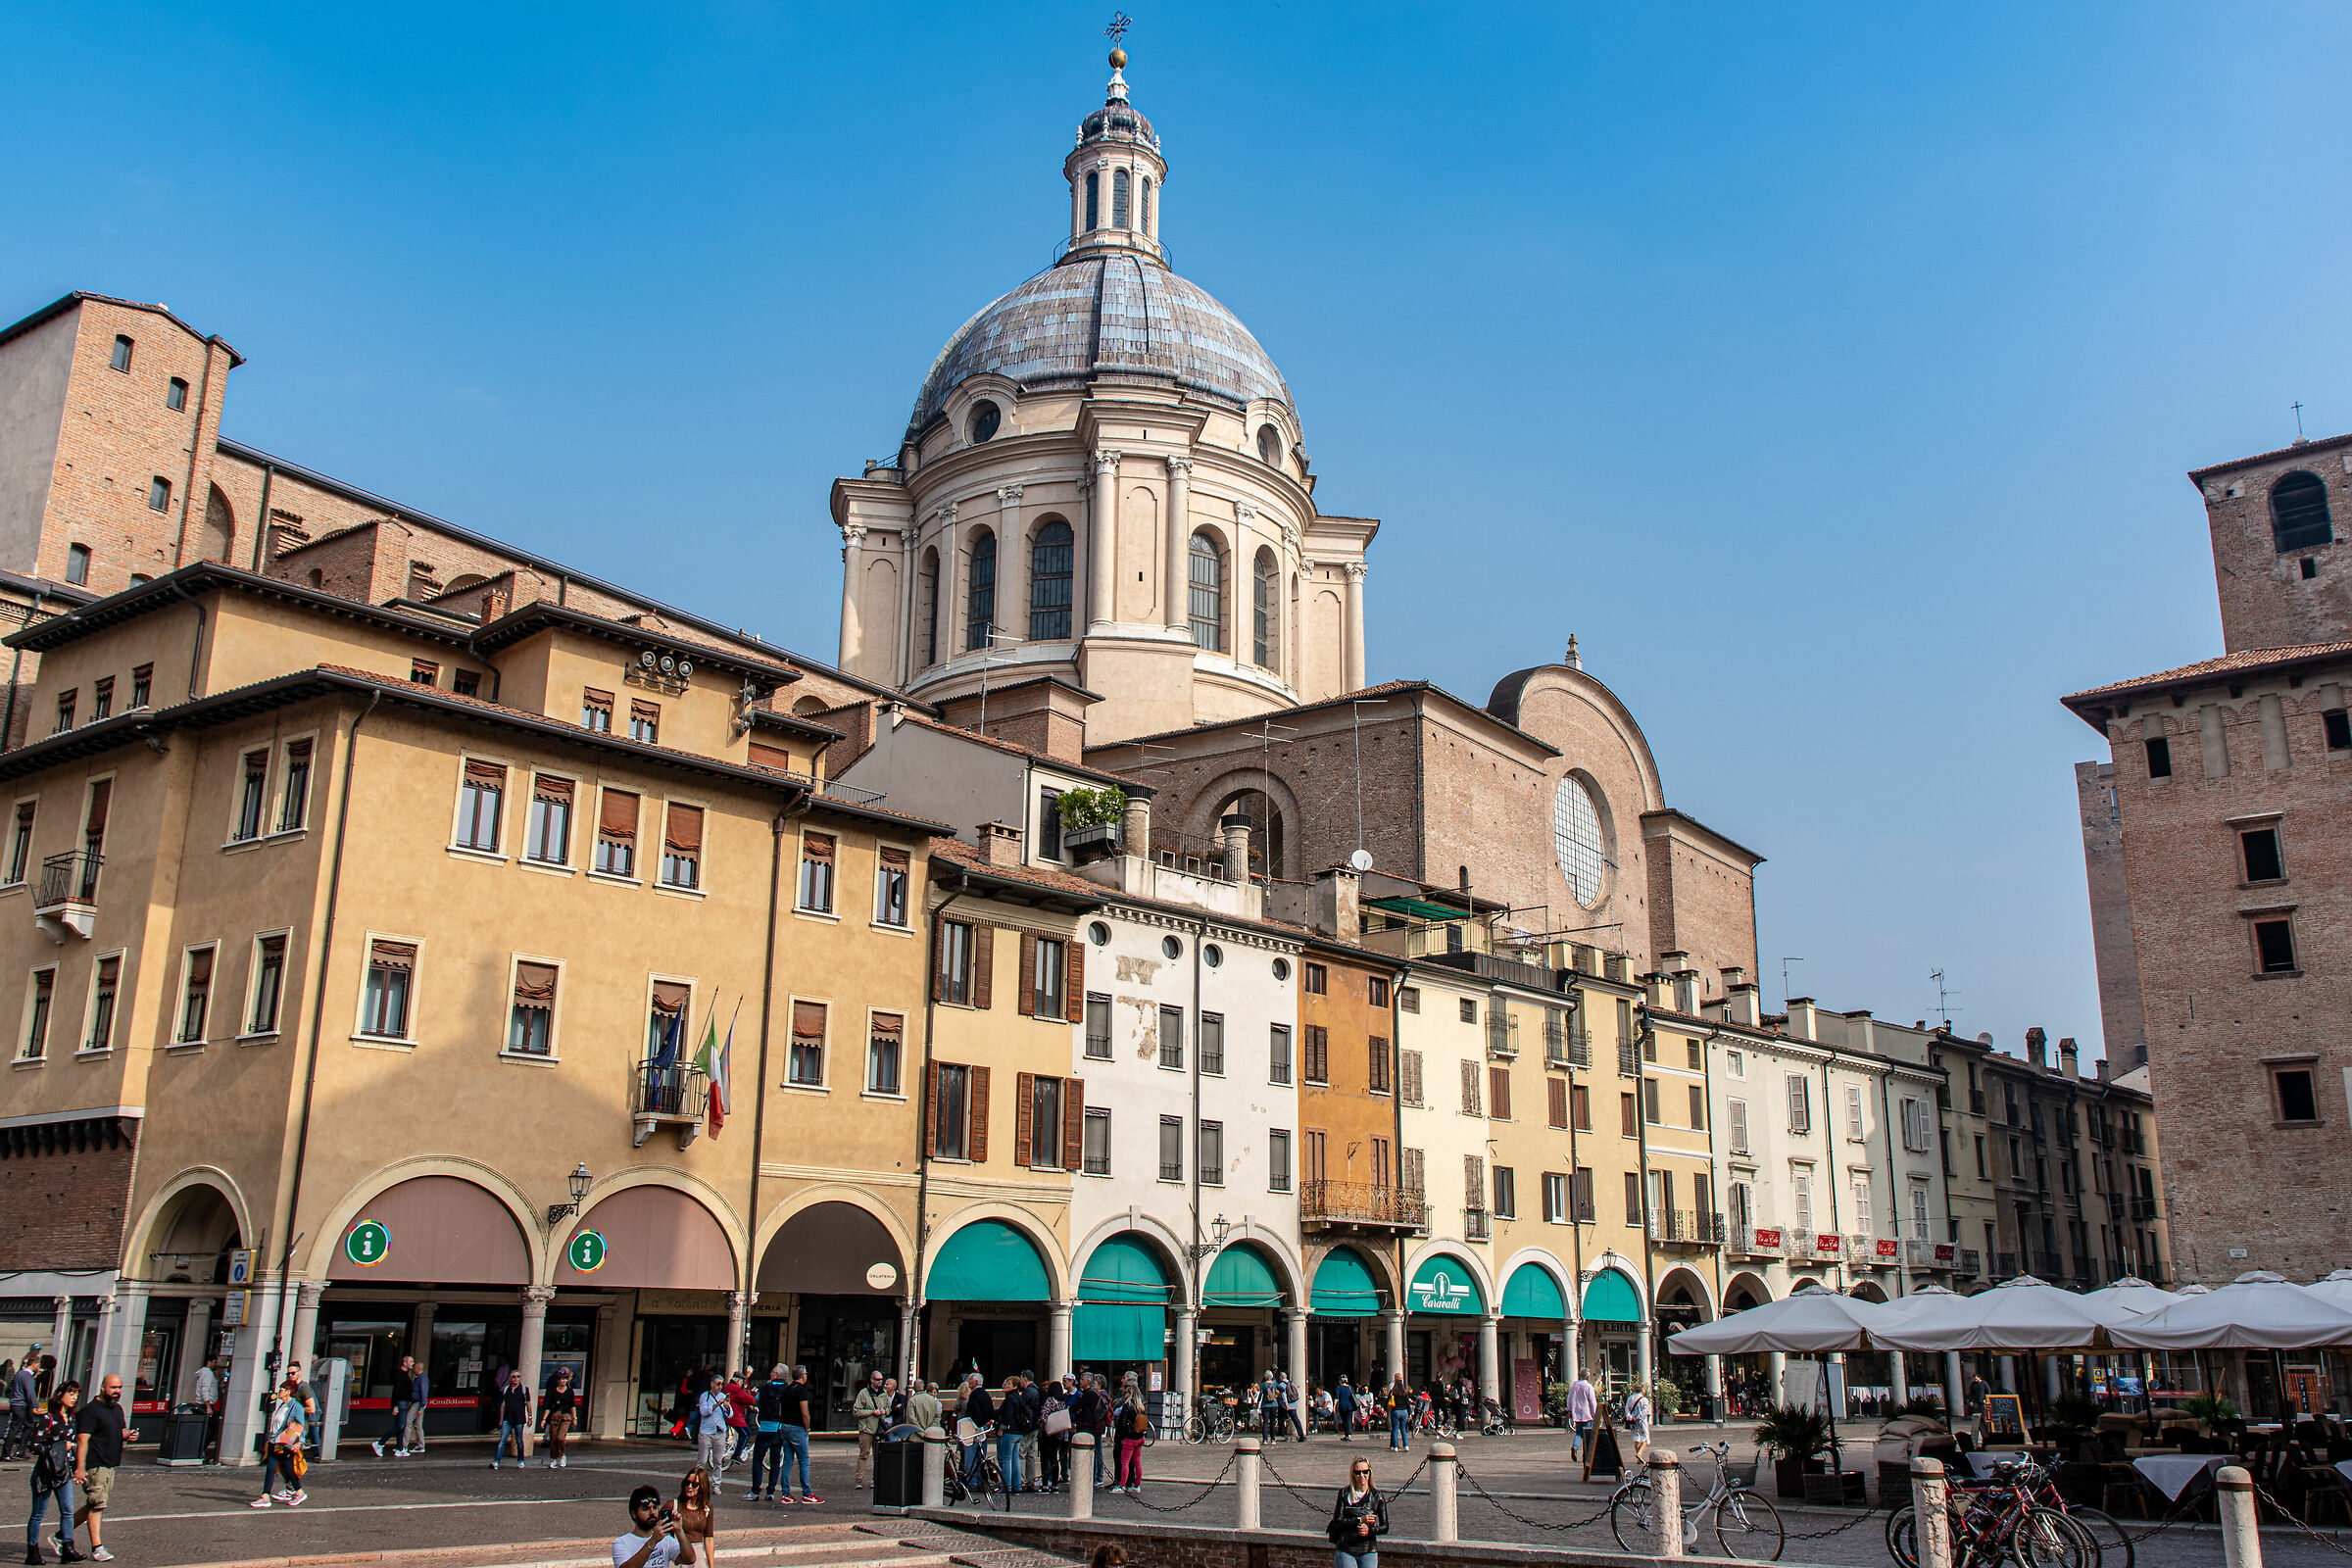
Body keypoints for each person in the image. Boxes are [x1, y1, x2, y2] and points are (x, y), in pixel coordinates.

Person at [70, 1374, 134, 1562]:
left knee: (95, 1503)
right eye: (113, 1387)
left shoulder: (117, 1409)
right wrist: (80, 1468)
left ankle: (61, 1535)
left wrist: (129, 1435)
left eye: (120, 1388)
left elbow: (120, 1432)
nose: (117, 1392)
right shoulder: (90, 1411)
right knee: (97, 1505)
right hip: (95, 1464)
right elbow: (82, 1440)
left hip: (110, 1463)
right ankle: (97, 1547)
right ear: (102, 1387)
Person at [24, 1381, 82, 1565]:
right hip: (45, 1472)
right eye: (71, 1393)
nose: (74, 1398)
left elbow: (71, 1449)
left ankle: (68, 1548)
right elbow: (33, 1446)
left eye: (77, 1394)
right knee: (38, 1514)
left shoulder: (72, 1420)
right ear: (61, 1395)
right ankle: (32, 1552)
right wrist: (57, 1446)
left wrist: (75, 1470)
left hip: (63, 1472)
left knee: (68, 1510)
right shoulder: (49, 1419)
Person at [249, 1376, 307, 1509]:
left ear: (288, 1391)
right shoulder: (282, 1405)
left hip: (286, 1443)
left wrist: (299, 1442)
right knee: (271, 1468)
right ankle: (265, 1496)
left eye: (281, 1389)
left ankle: (299, 1492)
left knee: (288, 1469)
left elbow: (300, 1426)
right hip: (275, 1442)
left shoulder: (295, 1406)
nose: (279, 1391)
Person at [612, 1483, 698, 1568]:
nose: (652, 1512)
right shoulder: (622, 1543)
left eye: (654, 1508)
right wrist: (653, 1540)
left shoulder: (666, 1540)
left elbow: (689, 1559)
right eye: (646, 1509)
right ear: (634, 1513)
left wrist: (679, 1531)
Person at [1326, 1455, 1389, 1568]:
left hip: (1368, 1549)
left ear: (1370, 1473)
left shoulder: (1377, 1496)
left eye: (1365, 1472)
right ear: (1353, 1474)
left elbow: (1385, 1527)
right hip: (1346, 1548)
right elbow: (1337, 1521)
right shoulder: (1345, 1493)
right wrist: (1360, 1520)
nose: (1361, 1476)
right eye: (1358, 1472)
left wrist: (1369, 1530)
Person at [775, 1365, 817, 1505]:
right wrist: (807, 1428)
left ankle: (785, 1494)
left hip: (785, 1426)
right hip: (798, 1428)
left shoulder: (786, 1389)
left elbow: (780, 1412)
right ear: (803, 1376)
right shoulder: (801, 1391)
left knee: (787, 1460)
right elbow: (805, 1412)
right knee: (804, 1460)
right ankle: (807, 1493)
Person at [748, 1365, 787, 1501]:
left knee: (758, 1459)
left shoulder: (765, 1388)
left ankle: (755, 1491)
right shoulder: (787, 1388)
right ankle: (770, 1491)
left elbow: (755, 1401)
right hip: (779, 1428)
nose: (770, 1374)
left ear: (776, 1374)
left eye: (772, 1372)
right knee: (775, 1461)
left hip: (765, 1427)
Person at [1110, 1377, 1149, 1495]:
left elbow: (1122, 1422)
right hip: (1140, 1437)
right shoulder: (1141, 1407)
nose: (1124, 1394)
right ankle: (1137, 1485)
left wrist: (1121, 1438)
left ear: (1130, 1393)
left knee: (1125, 1462)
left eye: (1126, 1392)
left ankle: (1122, 1485)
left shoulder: (1127, 1406)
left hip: (1129, 1438)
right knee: (1137, 1462)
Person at [852, 1369, 888, 1491]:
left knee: (878, 1456)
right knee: (864, 1454)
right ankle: (859, 1479)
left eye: (881, 1379)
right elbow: (856, 1411)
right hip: (867, 1429)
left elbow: (888, 1408)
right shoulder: (864, 1393)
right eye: (878, 1379)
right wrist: (872, 1412)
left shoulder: (884, 1394)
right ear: (872, 1380)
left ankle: (875, 1479)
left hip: (879, 1429)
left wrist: (884, 1411)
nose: (880, 1382)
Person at [673, 1465, 716, 1564]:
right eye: (687, 1483)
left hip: (698, 1558)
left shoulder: (707, 1507)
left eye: (695, 1484)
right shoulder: (673, 1505)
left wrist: (711, 1565)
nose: (689, 1487)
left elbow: (709, 1537)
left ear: (702, 1487)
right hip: (678, 1556)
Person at [692, 1377, 730, 1488]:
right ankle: (698, 1483)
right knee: (702, 1460)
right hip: (706, 1432)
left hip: (720, 1432)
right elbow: (704, 1412)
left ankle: (716, 1484)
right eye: (718, 1384)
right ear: (712, 1384)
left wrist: (727, 1408)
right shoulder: (705, 1396)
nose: (720, 1386)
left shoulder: (723, 1396)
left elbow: (730, 1414)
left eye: (721, 1384)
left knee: (718, 1461)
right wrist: (718, 1404)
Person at [491, 1371, 532, 1469]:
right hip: (507, 1418)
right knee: (502, 1439)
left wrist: (530, 1417)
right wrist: (501, 1419)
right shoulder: (506, 1389)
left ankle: (520, 1460)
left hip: (519, 1419)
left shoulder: (524, 1389)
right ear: (510, 1378)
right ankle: (496, 1461)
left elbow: (528, 1404)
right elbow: (503, 1405)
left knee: (519, 1440)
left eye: (518, 1376)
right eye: (514, 1377)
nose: (516, 1379)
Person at [541, 1368, 579, 1468]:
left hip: (566, 1416)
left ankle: (562, 1455)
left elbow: (572, 1405)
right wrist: (544, 1419)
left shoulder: (570, 1391)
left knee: (560, 1438)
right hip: (555, 1416)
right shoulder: (553, 1391)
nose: (563, 1381)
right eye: (562, 1379)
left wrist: (575, 1418)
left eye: (565, 1379)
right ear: (558, 1380)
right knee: (553, 1439)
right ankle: (554, 1459)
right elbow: (548, 1406)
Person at [191, 1354, 222, 1461]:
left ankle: (199, 1450)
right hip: (204, 1406)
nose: (216, 1364)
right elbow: (205, 1390)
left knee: (206, 1429)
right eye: (215, 1362)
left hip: (201, 1405)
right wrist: (208, 1407)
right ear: (210, 1362)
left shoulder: (204, 1373)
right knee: (209, 1429)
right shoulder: (208, 1374)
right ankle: (200, 1450)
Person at [1567, 1371, 1597, 1463]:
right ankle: (1586, 1455)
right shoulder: (1588, 1386)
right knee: (1587, 1434)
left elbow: (1569, 1398)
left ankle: (1575, 1447)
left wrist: (1569, 1410)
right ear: (1588, 1377)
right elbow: (1592, 1401)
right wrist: (1595, 1412)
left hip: (1577, 1412)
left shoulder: (1574, 1385)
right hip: (1587, 1413)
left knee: (1579, 1432)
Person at [723, 1372, 753, 1464]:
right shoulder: (736, 1389)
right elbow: (745, 1397)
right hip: (735, 1417)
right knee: (746, 1434)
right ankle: (737, 1454)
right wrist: (755, 1401)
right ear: (739, 1381)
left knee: (748, 1420)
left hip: (734, 1415)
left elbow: (740, 1399)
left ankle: (740, 1445)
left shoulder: (729, 1386)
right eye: (742, 1381)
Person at [404, 1359, 430, 1456]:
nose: (413, 1369)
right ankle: (420, 1445)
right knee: (418, 1425)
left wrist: (421, 1407)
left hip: (418, 1403)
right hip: (418, 1403)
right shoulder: (420, 1378)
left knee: (408, 1422)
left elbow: (423, 1393)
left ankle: (404, 1445)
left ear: (418, 1368)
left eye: (414, 1368)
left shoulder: (421, 1379)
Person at [1621, 1383, 1651, 1464]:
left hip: (1632, 1422)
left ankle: (1639, 1458)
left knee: (1636, 1438)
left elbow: (1627, 1409)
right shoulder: (1644, 1400)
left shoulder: (1630, 1398)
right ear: (1643, 1390)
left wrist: (1629, 1417)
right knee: (1645, 1438)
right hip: (1641, 1421)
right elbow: (1645, 1411)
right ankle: (1639, 1454)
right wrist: (1638, 1417)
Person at [1383, 1375, 1411, 1451]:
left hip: (1395, 1411)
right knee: (1403, 1429)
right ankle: (1406, 1445)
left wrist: (1384, 1409)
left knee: (1395, 1429)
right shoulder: (1404, 1392)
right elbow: (1408, 1403)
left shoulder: (1392, 1392)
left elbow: (1387, 1401)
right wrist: (1410, 1413)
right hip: (1404, 1411)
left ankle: (1395, 1447)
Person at [1333, 1376, 1358, 1442]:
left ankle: (1347, 1434)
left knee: (1344, 1421)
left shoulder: (1339, 1387)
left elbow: (1336, 1398)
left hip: (1342, 1406)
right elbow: (1353, 1396)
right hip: (1349, 1406)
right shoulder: (1350, 1387)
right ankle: (1348, 1434)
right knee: (1349, 1420)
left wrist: (1334, 1406)